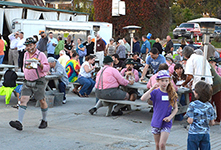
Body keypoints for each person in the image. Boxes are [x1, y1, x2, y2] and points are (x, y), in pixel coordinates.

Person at [9, 37, 50, 131]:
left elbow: (47, 68)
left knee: (42, 101)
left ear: (35, 45)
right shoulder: (26, 54)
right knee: (23, 100)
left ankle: (44, 120)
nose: (28, 47)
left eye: (30, 45)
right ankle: (19, 122)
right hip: (27, 81)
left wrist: (40, 64)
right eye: (27, 45)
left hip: (38, 81)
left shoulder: (41, 55)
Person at [141, 70, 178, 150]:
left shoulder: (171, 93)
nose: (164, 83)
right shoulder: (155, 92)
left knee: (162, 144)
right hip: (156, 121)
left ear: (169, 81)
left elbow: (175, 108)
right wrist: (152, 88)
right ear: (158, 81)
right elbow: (143, 98)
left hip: (166, 122)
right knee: (157, 145)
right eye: (162, 81)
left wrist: (170, 117)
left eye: (166, 81)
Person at [184, 81, 216, 150]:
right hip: (205, 133)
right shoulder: (210, 106)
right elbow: (212, 122)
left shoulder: (193, 105)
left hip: (194, 133)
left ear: (197, 93)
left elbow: (190, 121)